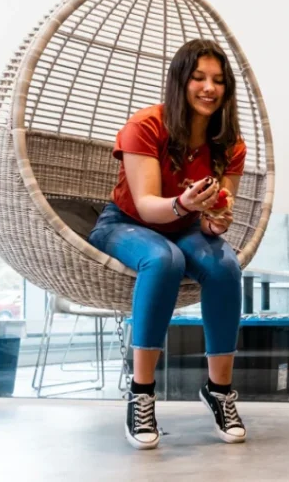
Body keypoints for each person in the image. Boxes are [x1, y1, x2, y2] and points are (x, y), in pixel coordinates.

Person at [88, 39, 247, 450]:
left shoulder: (230, 144)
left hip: (186, 224)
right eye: (198, 78)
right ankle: (141, 392)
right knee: (164, 259)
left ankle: (219, 391)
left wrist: (216, 221)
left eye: (218, 80)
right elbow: (145, 205)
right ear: (180, 81)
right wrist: (184, 203)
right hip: (125, 223)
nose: (209, 88)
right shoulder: (145, 127)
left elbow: (215, 219)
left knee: (226, 265)